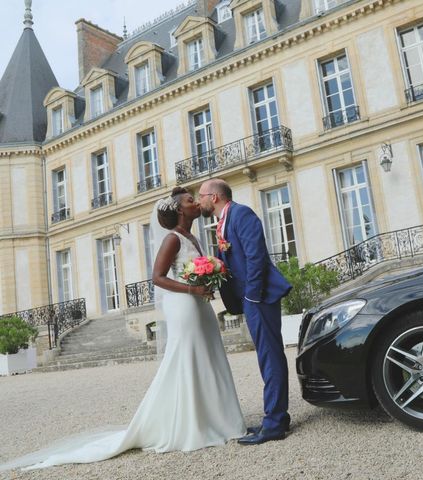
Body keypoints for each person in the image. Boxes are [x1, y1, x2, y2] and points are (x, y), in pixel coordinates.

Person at [0, 187, 246, 471]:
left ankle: (216, 419)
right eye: (190, 201)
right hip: (185, 306)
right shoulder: (172, 239)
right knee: (188, 360)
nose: (196, 203)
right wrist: (193, 288)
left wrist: (208, 280)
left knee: (209, 357)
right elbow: (157, 277)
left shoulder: (193, 236)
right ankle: (191, 425)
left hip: (199, 304)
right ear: (180, 210)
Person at [198, 178, 292, 445]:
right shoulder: (224, 221)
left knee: (269, 357)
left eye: (202, 195)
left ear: (214, 197)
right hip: (250, 299)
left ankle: (274, 424)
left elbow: (256, 257)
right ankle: (277, 417)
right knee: (268, 357)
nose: (200, 200)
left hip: (259, 298)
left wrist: (251, 295)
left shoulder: (241, 214)